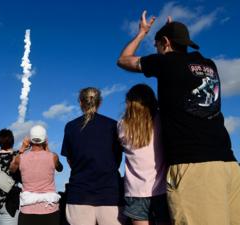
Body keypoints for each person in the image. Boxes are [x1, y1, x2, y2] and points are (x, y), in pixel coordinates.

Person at [117, 11, 240, 225]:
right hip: (228, 165)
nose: (156, 50)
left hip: (195, 169)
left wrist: (142, 34)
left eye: (156, 46)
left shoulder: (166, 63)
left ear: (165, 43)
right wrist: (172, 32)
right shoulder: (210, 65)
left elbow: (123, 60)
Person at [61, 87, 124, 225]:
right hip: (110, 192)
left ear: (80, 102)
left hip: (79, 193)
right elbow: (117, 159)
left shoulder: (71, 127)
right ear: (99, 102)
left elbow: (70, 160)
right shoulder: (114, 125)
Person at [118, 84, 170, 225]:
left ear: (129, 103)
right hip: (161, 190)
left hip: (134, 192)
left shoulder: (122, 125)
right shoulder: (161, 120)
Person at [10, 125, 63, 225]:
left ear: (30, 139)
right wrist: (47, 148)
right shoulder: (53, 157)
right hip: (50, 210)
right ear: (45, 140)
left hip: (27, 211)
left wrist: (22, 148)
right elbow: (60, 168)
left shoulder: (20, 158)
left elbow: (11, 169)